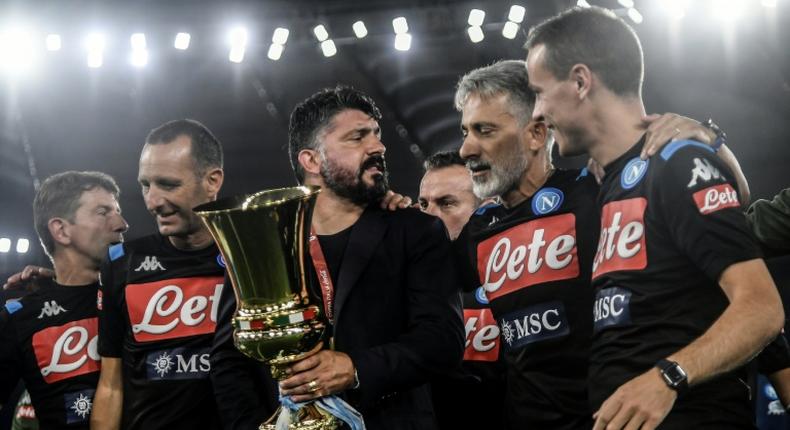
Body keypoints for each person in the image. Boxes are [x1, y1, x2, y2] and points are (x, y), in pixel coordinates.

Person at [525, 7, 784, 429]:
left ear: (579, 81)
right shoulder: (607, 180)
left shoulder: (675, 162)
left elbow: (762, 309)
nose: (536, 112)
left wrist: (668, 377)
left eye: (539, 92)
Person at [211, 86, 464, 430]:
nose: (377, 146)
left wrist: (355, 368)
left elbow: (442, 341)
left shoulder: (414, 231)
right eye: (357, 137)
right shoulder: (264, 240)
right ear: (311, 160)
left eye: (376, 135)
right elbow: (229, 359)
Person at [91, 119, 226, 430]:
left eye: (168, 184)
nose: (152, 201)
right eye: (145, 185)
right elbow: (111, 385)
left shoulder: (252, 256)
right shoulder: (121, 264)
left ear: (212, 180)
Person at [0, 171, 128, 429]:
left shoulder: (142, 292)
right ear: (61, 230)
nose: (122, 223)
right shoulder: (21, 317)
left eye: (117, 211)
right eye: (104, 212)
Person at [417, 150, 505, 430]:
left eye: (446, 204)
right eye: (423, 204)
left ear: (485, 209)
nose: (429, 217)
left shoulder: (516, 276)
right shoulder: (408, 286)